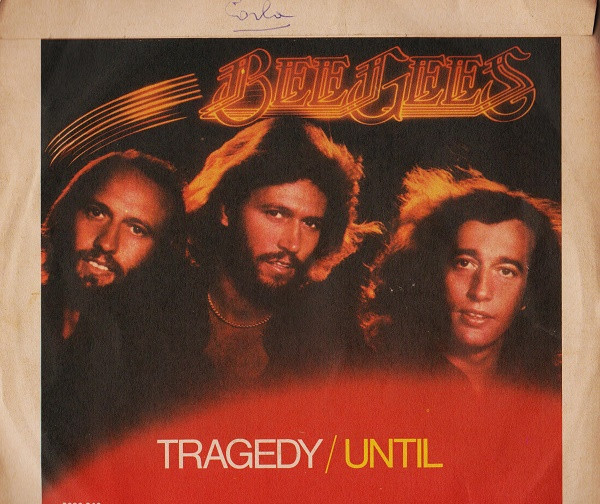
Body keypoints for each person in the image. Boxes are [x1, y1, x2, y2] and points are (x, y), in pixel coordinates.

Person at [184, 117, 381, 389]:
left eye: (311, 224)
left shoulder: (324, 347)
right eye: (276, 214)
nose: (293, 244)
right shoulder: (163, 311)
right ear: (226, 209)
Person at [42, 150, 190, 482]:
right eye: (96, 212)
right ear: (68, 210)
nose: (107, 243)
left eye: (137, 229)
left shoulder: (114, 339)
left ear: (159, 251)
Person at [362, 166, 561, 393]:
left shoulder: (551, 389)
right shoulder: (379, 379)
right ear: (434, 271)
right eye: (465, 263)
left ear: (530, 289)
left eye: (505, 271)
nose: (480, 291)